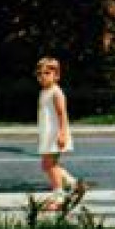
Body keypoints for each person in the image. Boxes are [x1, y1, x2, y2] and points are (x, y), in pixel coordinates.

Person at [34, 58, 87, 211]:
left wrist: (62, 134)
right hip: (47, 133)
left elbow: (62, 114)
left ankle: (59, 197)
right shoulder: (44, 91)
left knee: (51, 165)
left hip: (55, 134)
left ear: (56, 75)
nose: (42, 76)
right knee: (47, 165)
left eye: (47, 73)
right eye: (39, 74)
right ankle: (75, 184)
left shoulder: (56, 92)